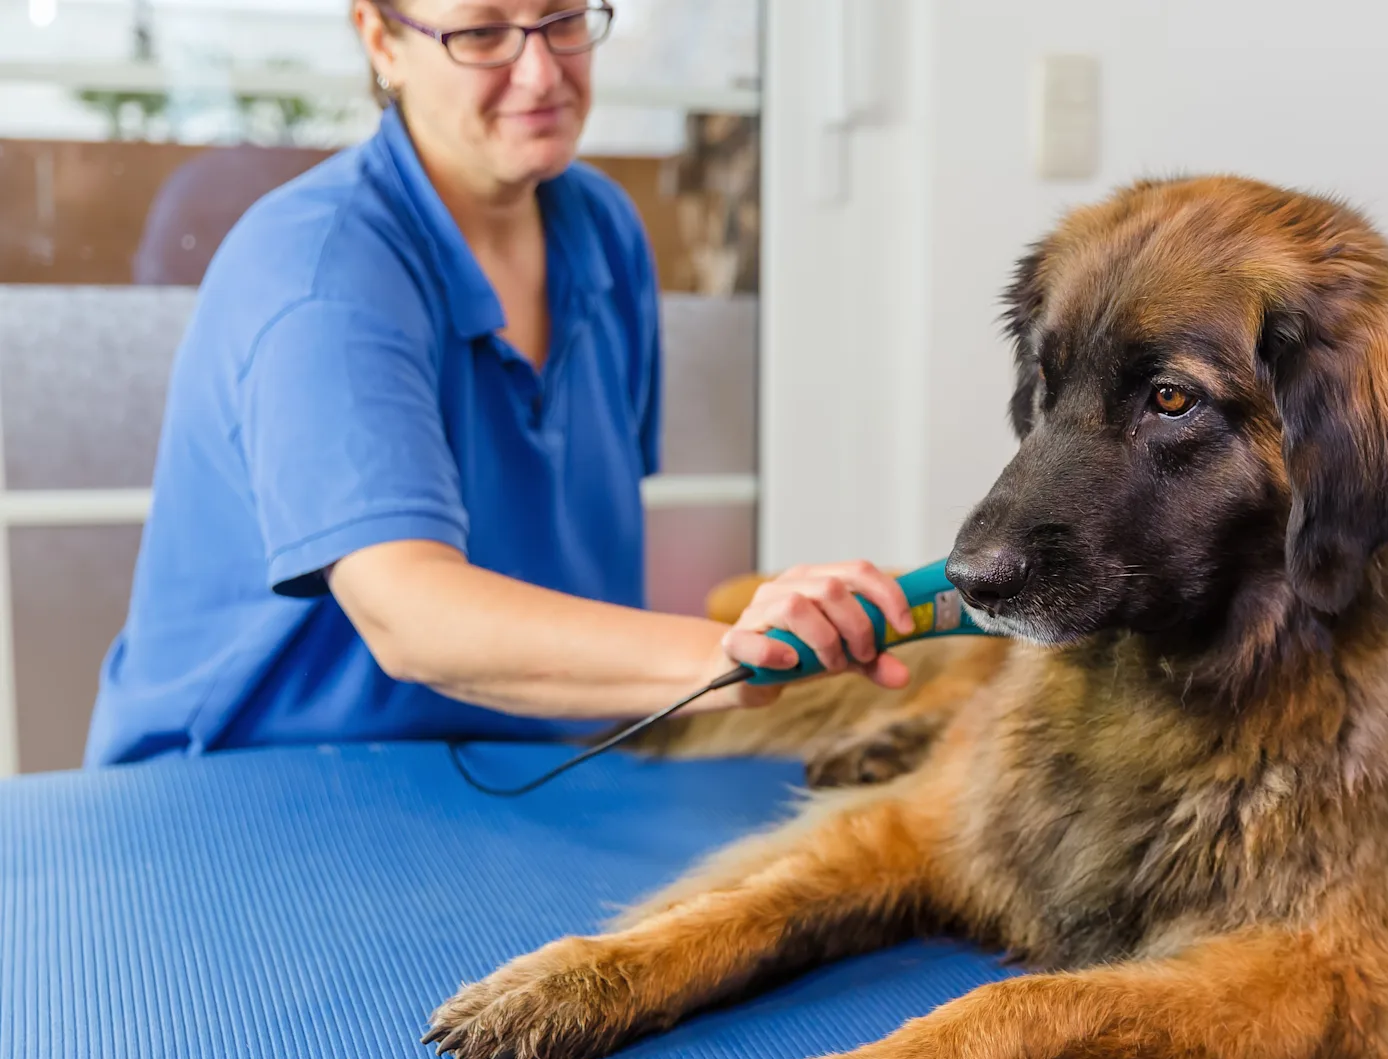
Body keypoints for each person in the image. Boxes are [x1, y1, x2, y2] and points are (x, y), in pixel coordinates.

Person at [84, 0, 910, 766]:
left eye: (561, 18)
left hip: (524, 771)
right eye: (481, 32)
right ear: (381, 39)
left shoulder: (603, 231)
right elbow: (409, 616)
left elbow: (575, 553)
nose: (543, 71)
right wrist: (732, 656)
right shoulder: (321, 271)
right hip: (250, 785)